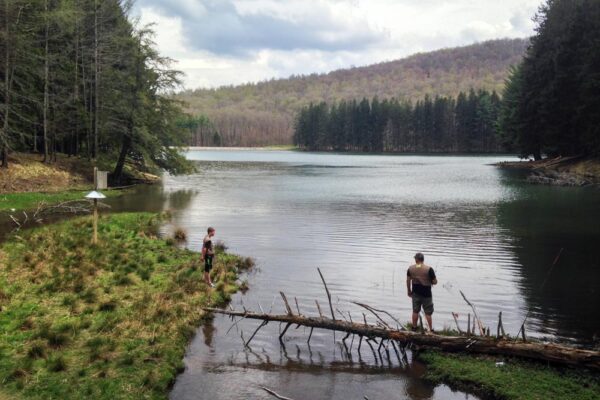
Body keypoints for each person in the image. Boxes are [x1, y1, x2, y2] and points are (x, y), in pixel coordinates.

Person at [406, 252, 437, 332]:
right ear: (423, 259)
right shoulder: (429, 269)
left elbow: (408, 280)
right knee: (428, 312)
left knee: (415, 311)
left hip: (415, 293)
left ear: (416, 259)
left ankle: (414, 327)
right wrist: (431, 280)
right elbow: (434, 282)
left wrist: (409, 290)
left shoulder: (410, 268)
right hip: (427, 294)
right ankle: (430, 329)